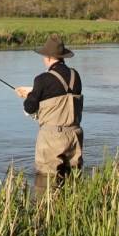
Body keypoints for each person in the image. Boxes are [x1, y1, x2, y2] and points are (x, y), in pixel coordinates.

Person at [14, 35, 83, 199]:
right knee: (73, 181)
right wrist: (34, 91)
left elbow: (29, 109)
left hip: (52, 139)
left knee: (46, 183)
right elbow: (61, 92)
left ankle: (47, 218)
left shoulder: (42, 79)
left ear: (48, 57)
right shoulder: (75, 76)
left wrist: (30, 96)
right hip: (75, 135)